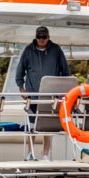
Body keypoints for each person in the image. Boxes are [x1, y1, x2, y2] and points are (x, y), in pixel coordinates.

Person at [16, 26, 70, 160]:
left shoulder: (56, 50)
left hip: (51, 96)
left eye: (44, 37)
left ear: (48, 38)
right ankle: (30, 153)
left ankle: (45, 154)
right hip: (32, 95)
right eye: (39, 37)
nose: (41, 39)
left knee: (48, 127)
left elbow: (66, 71)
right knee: (32, 126)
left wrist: (63, 90)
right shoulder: (28, 50)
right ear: (36, 37)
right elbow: (20, 71)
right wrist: (21, 88)